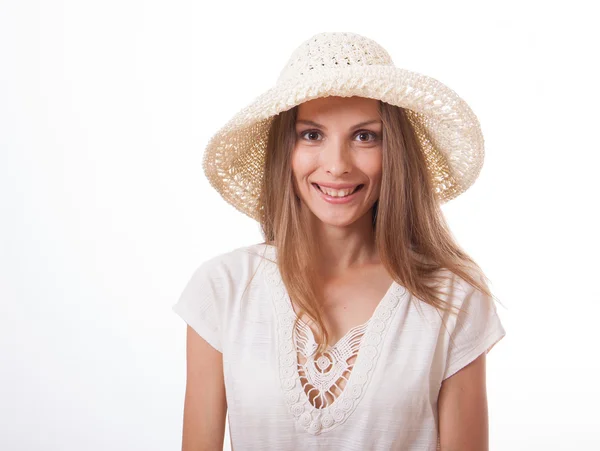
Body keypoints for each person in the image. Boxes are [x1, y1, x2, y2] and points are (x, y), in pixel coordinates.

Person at [172, 32, 506, 451]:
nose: (337, 165)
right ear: (285, 150)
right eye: (312, 135)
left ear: (395, 152)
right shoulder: (223, 288)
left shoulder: (451, 297)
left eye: (365, 136)